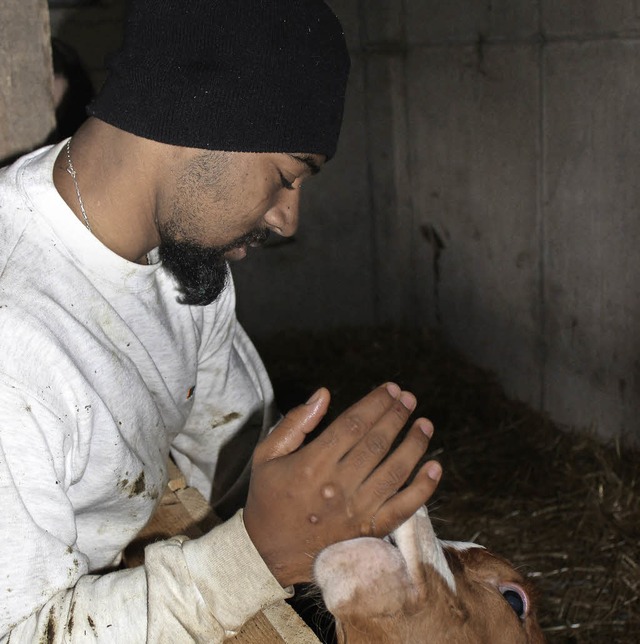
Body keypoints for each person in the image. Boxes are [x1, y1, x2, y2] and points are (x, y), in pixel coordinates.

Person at [0, 1, 442, 641]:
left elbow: (233, 461)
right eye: (289, 174)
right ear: (200, 114)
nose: (288, 219)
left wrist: (333, 522)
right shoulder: (16, 333)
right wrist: (255, 557)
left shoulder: (185, 270)